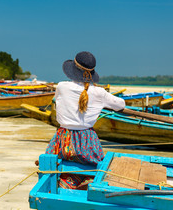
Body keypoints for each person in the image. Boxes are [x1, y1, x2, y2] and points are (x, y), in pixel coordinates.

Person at [45, 51, 125, 189]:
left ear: (72, 70)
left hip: (63, 141)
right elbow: (121, 105)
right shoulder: (99, 93)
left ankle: (66, 182)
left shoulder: (62, 86)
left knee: (49, 159)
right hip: (87, 144)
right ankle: (86, 180)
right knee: (97, 165)